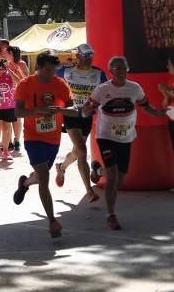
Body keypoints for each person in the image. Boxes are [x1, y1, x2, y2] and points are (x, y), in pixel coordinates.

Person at [84, 56, 168, 230]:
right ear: (111, 71)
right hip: (105, 136)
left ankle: (98, 170)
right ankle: (110, 215)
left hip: (126, 137)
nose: (120, 72)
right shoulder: (102, 89)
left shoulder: (134, 88)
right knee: (113, 175)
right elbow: (87, 109)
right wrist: (86, 111)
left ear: (127, 70)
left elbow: (145, 106)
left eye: (123, 68)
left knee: (120, 180)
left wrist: (159, 113)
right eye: (116, 69)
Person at [12, 52, 75, 239]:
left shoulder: (60, 84)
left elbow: (74, 110)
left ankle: (25, 183)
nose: (51, 75)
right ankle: (52, 221)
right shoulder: (26, 85)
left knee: (40, 177)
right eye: (48, 70)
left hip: (53, 139)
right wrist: (39, 110)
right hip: (33, 138)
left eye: (54, 71)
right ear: (38, 67)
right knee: (45, 177)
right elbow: (18, 112)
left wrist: (61, 110)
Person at [55, 43, 106, 202]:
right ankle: (89, 191)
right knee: (83, 151)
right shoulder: (66, 71)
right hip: (71, 114)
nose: (89, 59)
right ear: (77, 56)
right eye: (85, 56)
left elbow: (106, 92)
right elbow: (47, 80)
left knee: (77, 152)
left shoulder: (98, 74)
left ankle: (62, 167)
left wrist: (98, 106)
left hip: (87, 116)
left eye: (91, 56)